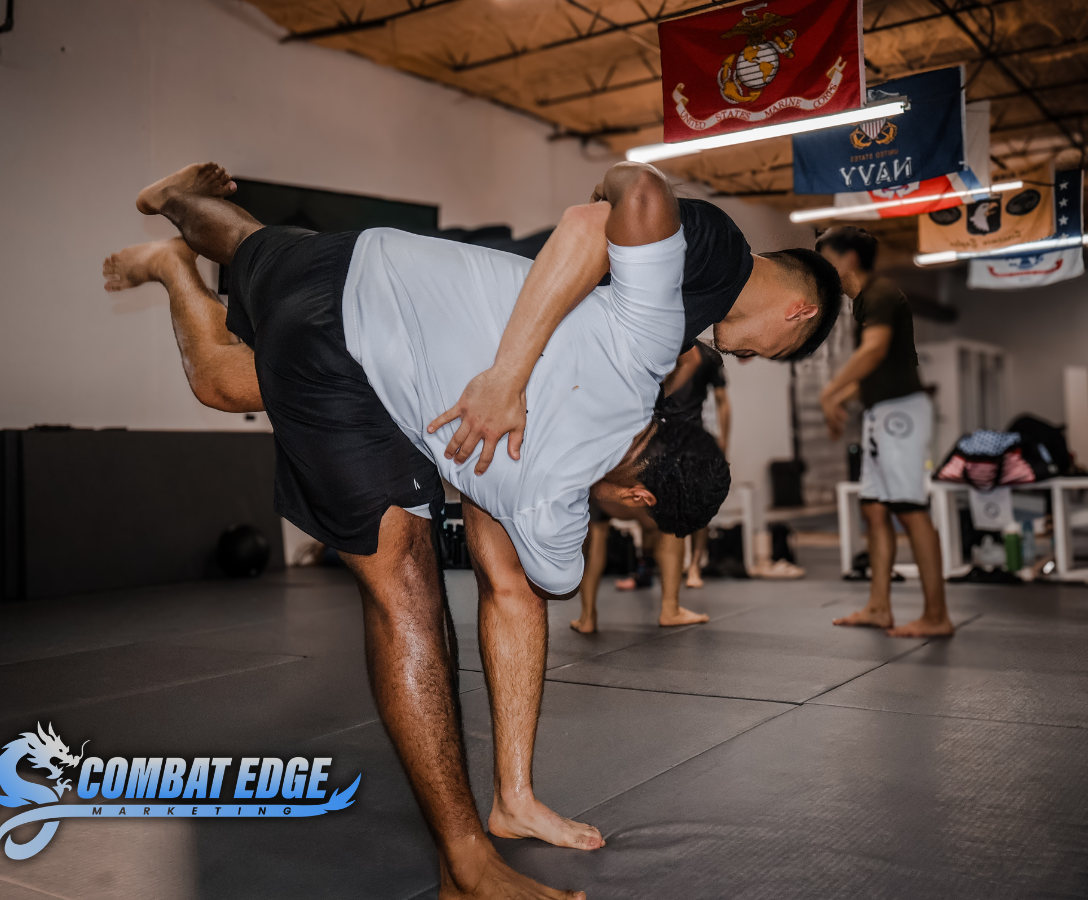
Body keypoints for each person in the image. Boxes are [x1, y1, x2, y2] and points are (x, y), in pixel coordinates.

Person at [103, 161, 840, 899]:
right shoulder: (715, 251)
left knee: (252, 256)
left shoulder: (670, 334)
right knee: (404, 578)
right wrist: (508, 381)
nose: (734, 354)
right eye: (755, 353)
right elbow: (597, 219)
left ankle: (177, 209)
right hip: (473, 374)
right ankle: (467, 862)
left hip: (410, 316)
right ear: (798, 315)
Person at [816, 225, 954, 639]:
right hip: (882, 413)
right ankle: (879, 607)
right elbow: (881, 368)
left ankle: (936, 614)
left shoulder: (879, 293)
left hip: (901, 416)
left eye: (825, 258)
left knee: (910, 509)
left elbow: (873, 350)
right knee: (874, 508)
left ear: (848, 259)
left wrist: (831, 391)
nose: (821, 268)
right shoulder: (862, 303)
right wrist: (841, 397)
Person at [571, 344, 730, 632]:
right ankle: (669, 608)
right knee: (666, 530)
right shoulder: (650, 392)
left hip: (636, 466)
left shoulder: (647, 386)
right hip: (648, 464)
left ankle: (587, 616)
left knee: (597, 535)